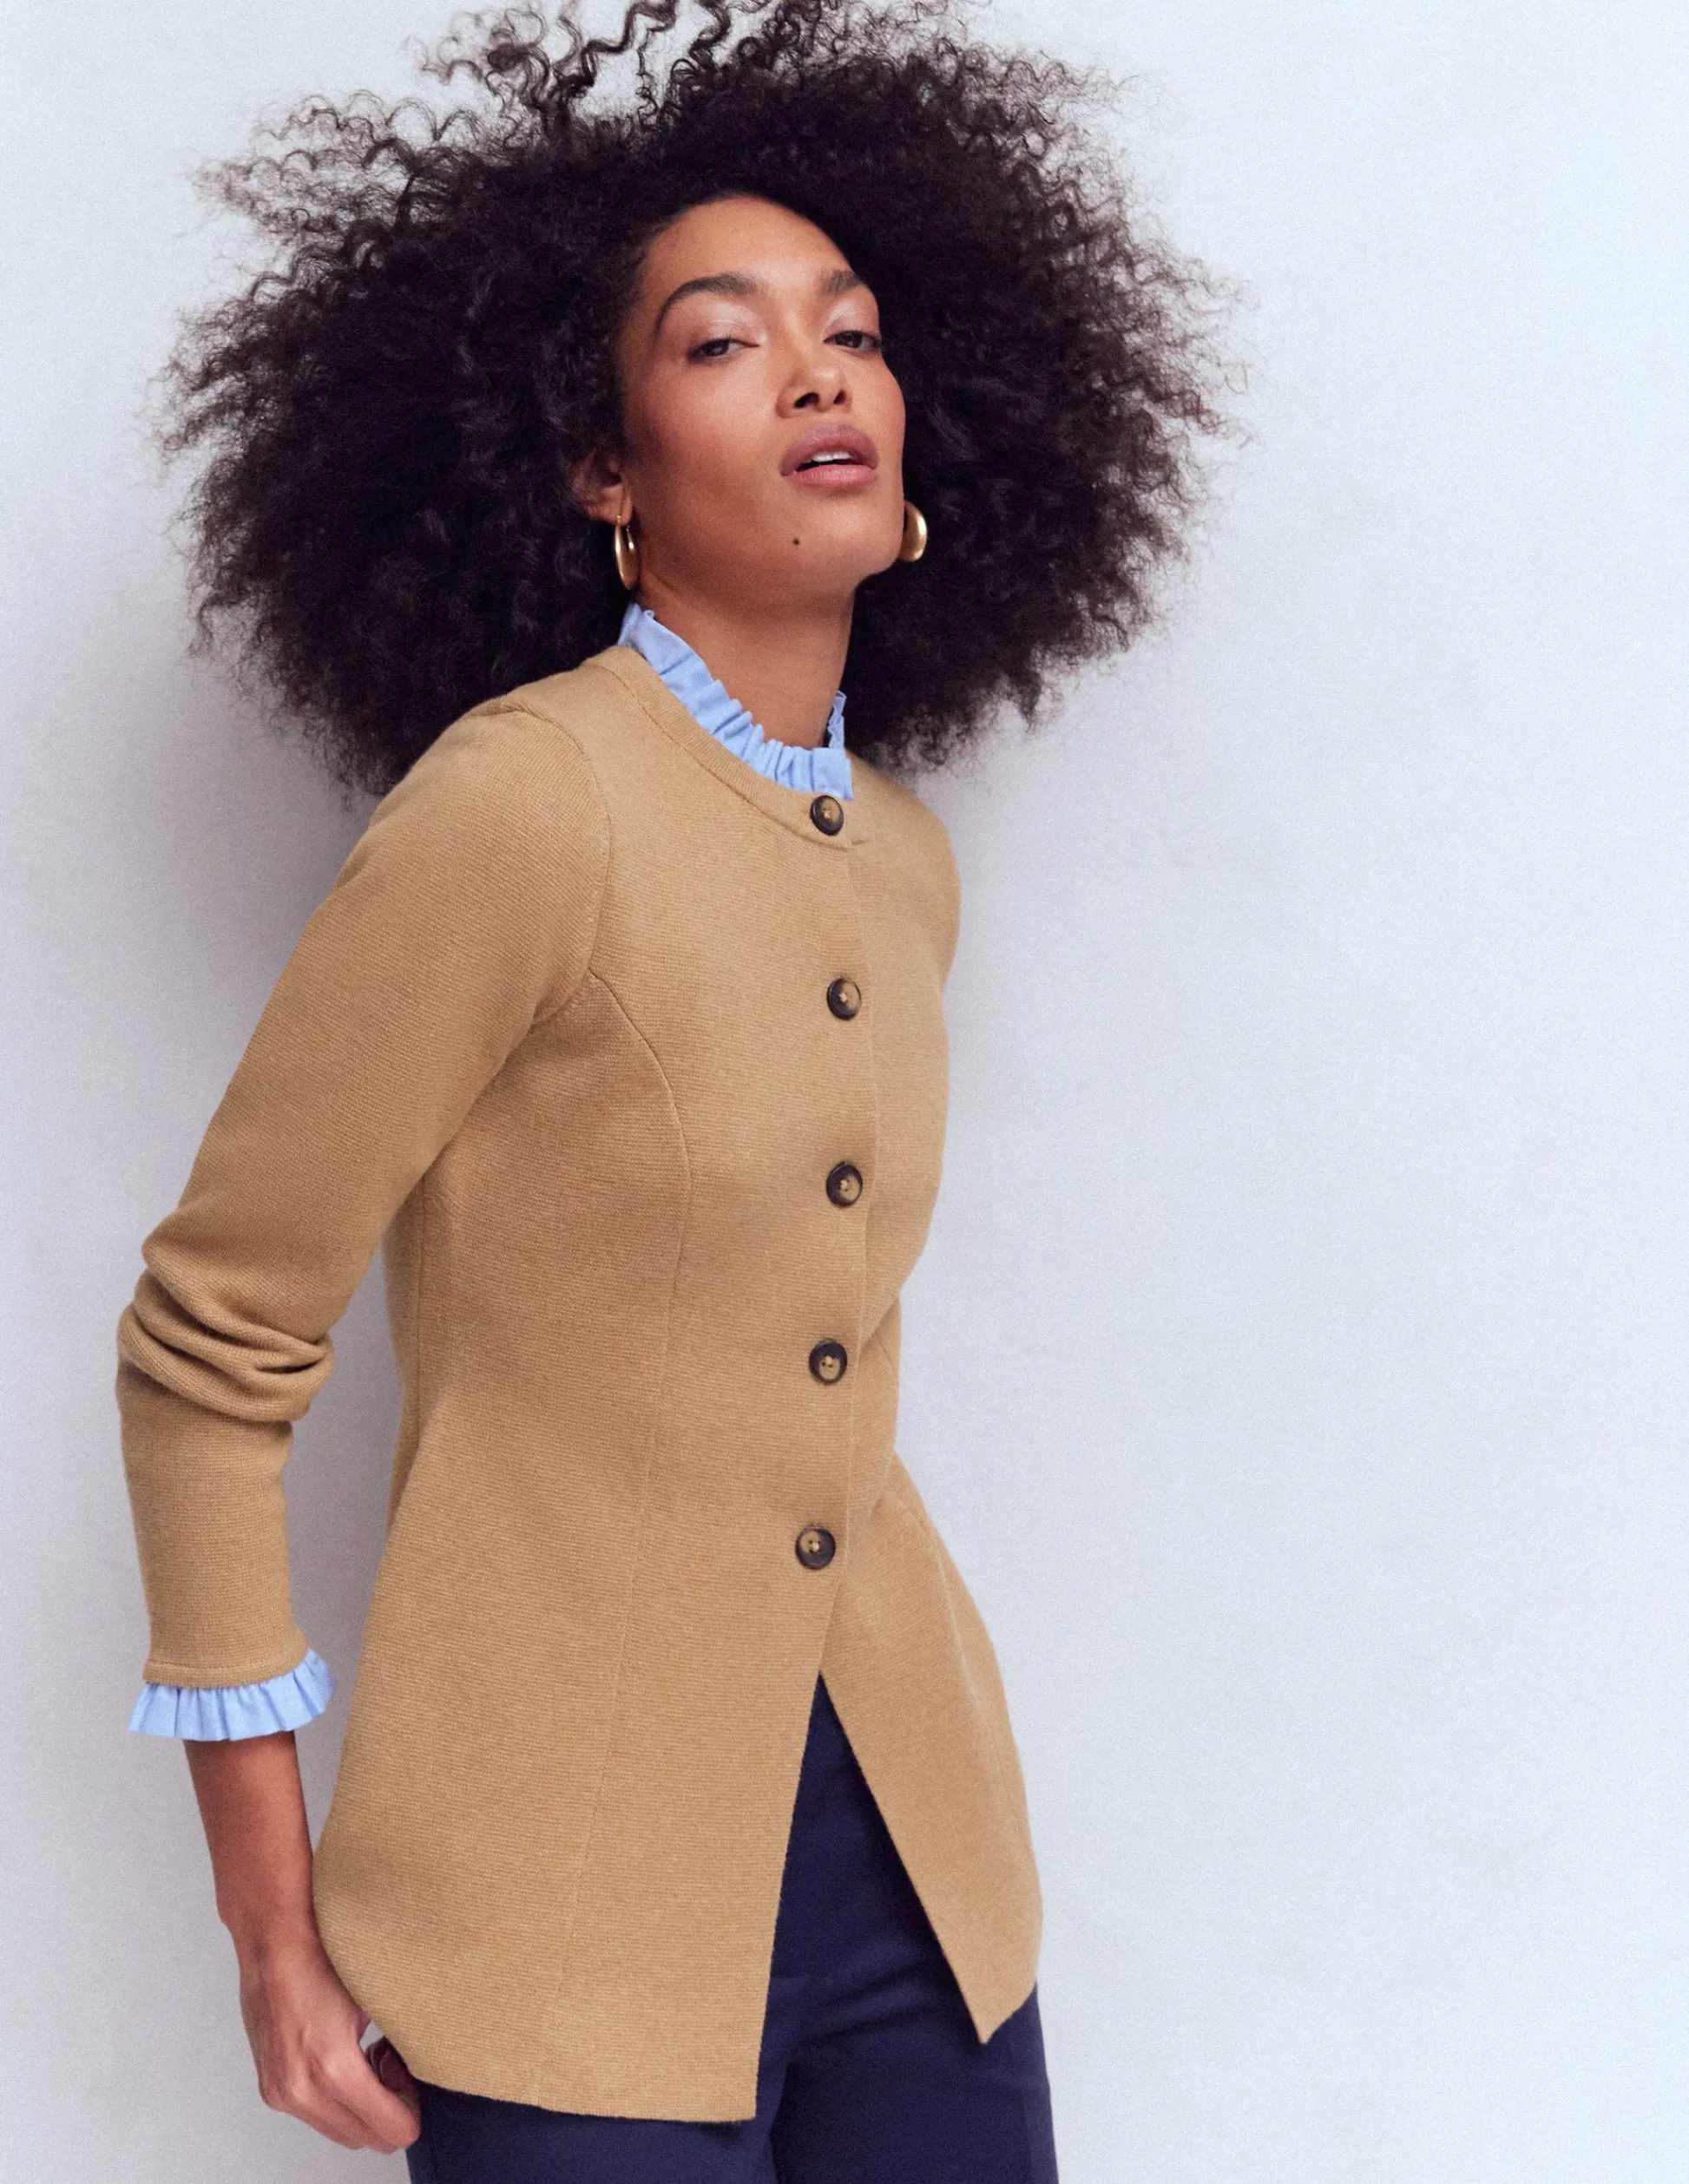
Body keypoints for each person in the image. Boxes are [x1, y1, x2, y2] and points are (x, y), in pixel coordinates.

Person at [115, 1, 1232, 2174]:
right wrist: (270, 1928)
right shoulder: (520, 805)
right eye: (723, 341)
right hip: (559, 1896)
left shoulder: (899, 862)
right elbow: (210, 1347)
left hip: (923, 1881)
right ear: (599, 470)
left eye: (853, 330)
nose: (819, 374)